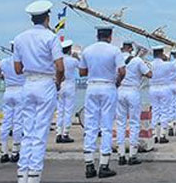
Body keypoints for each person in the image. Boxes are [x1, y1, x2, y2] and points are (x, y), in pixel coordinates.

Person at [13, 0, 65, 183]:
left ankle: (22, 175)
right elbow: (60, 67)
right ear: (47, 18)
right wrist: (57, 83)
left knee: (28, 131)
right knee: (40, 132)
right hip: (45, 83)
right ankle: (34, 176)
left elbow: (17, 69)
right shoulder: (51, 37)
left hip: (28, 84)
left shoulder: (19, 38)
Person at [79, 25, 125, 179]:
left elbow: (82, 72)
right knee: (106, 126)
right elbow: (122, 71)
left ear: (97, 35)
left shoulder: (87, 50)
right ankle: (104, 165)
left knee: (90, 126)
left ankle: (89, 165)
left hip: (91, 87)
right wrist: (117, 82)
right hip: (108, 86)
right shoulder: (114, 50)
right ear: (110, 36)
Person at [116, 40, 151, 166]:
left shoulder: (117, 58)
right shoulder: (137, 60)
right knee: (134, 123)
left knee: (120, 123)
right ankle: (132, 155)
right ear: (131, 48)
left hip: (119, 91)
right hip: (132, 92)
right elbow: (150, 74)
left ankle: (120, 155)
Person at [0, 41, 25, 163]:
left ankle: (3, 152)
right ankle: (15, 151)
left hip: (8, 91)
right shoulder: (24, 61)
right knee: (18, 122)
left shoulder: (3, 61)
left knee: (6, 122)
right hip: (20, 91)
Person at [56, 40, 79, 144]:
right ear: (69, 49)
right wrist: (77, 57)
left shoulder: (58, 60)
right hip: (70, 84)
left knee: (60, 110)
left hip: (60, 83)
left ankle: (58, 133)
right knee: (68, 110)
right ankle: (65, 133)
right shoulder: (73, 60)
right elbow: (83, 67)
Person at [149, 45, 172, 144]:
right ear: (162, 53)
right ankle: (162, 134)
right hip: (164, 88)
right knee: (164, 111)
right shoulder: (167, 64)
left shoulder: (149, 64)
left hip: (153, 88)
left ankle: (154, 134)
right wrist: (167, 59)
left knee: (155, 110)